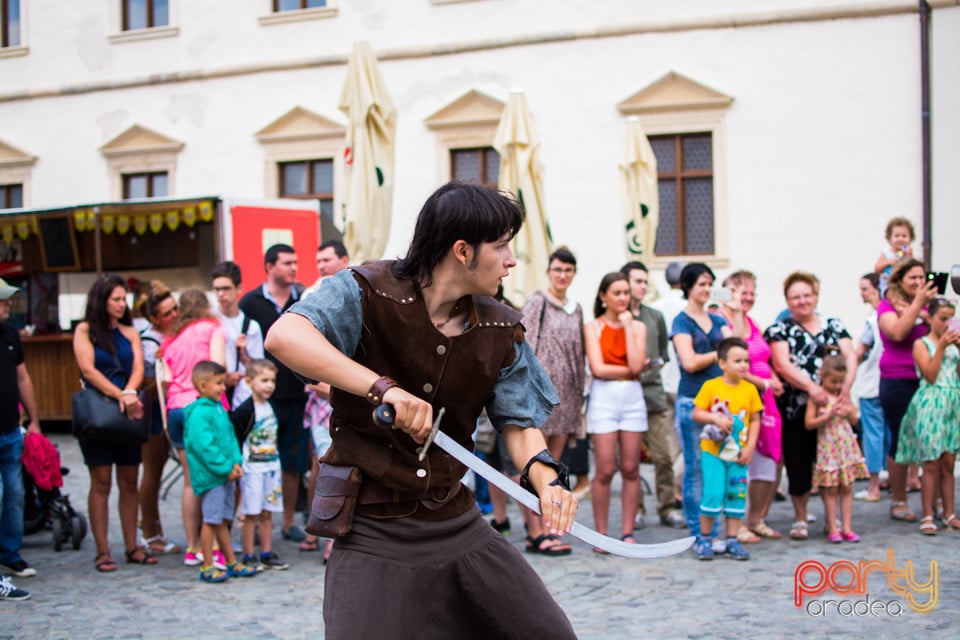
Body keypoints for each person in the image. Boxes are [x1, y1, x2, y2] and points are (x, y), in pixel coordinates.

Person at [264, 181, 577, 639]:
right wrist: (381, 388)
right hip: (373, 529)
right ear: (463, 251)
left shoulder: (498, 325)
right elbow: (284, 337)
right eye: (503, 246)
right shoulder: (365, 290)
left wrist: (546, 479)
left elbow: (519, 423)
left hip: (456, 523)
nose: (512, 260)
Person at [765, 271, 858, 541]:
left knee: (834, 464)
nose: (802, 301)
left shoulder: (834, 325)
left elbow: (850, 356)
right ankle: (801, 516)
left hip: (835, 408)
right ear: (788, 301)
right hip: (797, 406)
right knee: (799, 461)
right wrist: (812, 388)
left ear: (815, 296)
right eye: (796, 297)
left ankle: (835, 520)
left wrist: (845, 390)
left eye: (807, 295)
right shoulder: (780, 329)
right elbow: (782, 364)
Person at [73, 274, 156, 572]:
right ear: (101, 301)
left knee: (129, 480)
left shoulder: (129, 332)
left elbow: (136, 366)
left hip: (127, 412)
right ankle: (102, 549)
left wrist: (131, 392)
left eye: (124, 299)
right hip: (98, 411)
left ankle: (132, 545)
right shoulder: (84, 331)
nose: (122, 305)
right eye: (116, 299)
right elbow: (88, 370)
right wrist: (121, 394)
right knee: (101, 482)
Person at [240, 244, 311, 544]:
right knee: (257, 459)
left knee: (292, 461)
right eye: (286, 263)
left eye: (295, 262)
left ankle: (287, 522)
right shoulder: (251, 302)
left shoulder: (304, 297)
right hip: (262, 397)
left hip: (298, 392)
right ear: (269, 266)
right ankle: (255, 521)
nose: (294, 268)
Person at [517, 247, 583, 554]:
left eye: (568, 270)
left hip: (567, 393)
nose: (562, 275)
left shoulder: (576, 308)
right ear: (549, 271)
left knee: (554, 468)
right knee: (533, 464)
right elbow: (523, 346)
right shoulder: (537, 302)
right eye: (558, 269)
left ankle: (547, 526)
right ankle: (534, 530)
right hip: (540, 394)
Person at [162, 288, 227, 567]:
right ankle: (212, 547)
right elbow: (217, 368)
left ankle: (192, 546)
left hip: (175, 409)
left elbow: (165, 380)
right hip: (201, 409)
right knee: (213, 477)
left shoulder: (171, 339)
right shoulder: (213, 329)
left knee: (190, 481)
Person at [718, 270, 784, 542]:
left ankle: (756, 518)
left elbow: (763, 358)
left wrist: (774, 380)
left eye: (750, 293)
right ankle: (737, 521)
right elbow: (734, 354)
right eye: (740, 292)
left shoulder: (753, 322)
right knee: (738, 461)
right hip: (737, 400)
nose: (746, 298)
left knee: (766, 463)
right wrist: (764, 382)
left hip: (762, 401)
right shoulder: (721, 321)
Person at [585, 272, 647, 548]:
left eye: (626, 292)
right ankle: (601, 533)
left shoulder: (638, 327)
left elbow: (635, 365)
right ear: (603, 297)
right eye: (617, 293)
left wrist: (628, 328)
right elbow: (598, 368)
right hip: (604, 398)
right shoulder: (593, 327)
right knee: (605, 469)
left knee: (631, 468)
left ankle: (627, 532)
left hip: (633, 398)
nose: (623, 298)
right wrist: (632, 370)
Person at [182, 361, 258, 583]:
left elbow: (231, 438)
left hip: (225, 474)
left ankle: (230, 561)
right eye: (218, 383)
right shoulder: (198, 414)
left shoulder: (218, 408)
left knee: (222, 520)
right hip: (213, 477)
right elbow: (204, 447)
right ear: (202, 385)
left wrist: (236, 463)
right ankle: (207, 564)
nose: (223, 387)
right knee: (211, 521)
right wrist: (226, 468)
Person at [621, 261, 684, 529]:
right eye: (638, 281)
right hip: (626, 392)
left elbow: (662, 356)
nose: (643, 286)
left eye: (646, 281)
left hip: (654, 392)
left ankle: (667, 506)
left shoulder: (655, 316)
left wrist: (650, 365)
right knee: (630, 459)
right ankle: (636, 510)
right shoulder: (617, 316)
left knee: (664, 455)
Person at [671, 263, 731, 541]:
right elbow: (690, 361)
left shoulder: (719, 320)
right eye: (701, 285)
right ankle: (699, 532)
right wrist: (720, 353)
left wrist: (736, 313)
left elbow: (737, 350)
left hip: (722, 402)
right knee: (695, 467)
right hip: (693, 401)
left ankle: (716, 528)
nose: (706, 290)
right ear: (688, 287)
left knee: (719, 466)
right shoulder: (681, 321)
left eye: (710, 284)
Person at [877, 258, 936, 523]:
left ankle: (932, 501)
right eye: (912, 278)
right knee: (900, 439)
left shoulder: (928, 307)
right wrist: (916, 308)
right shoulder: (887, 306)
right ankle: (898, 499)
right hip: (898, 379)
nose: (918, 282)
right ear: (900, 280)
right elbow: (898, 332)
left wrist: (926, 312)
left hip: (927, 378)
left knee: (930, 440)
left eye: (922, 277)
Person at [691, 337, 761, 560]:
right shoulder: (711, 386)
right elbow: (697, 412)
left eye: (746, 361)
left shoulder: (750, 390)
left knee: (736, 494)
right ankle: (704, 538)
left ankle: (732, 539)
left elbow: (756, 419)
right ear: (722, 363)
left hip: (738, 455)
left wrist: (750, 447)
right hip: (714, 451)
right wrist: (715, 418)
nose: (743, 365)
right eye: (737, 360)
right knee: (712, 492)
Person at [895, 298, 960, 534]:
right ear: (930, 318)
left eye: (950, 319)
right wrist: (942, 347)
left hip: (952, 403)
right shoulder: (922, 344)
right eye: (942, 318)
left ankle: (949, 513)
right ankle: (928, 514)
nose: (946, 324)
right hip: (931, 403)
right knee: (931, 462)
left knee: (949, 461)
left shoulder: (954, 345)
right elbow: (930, 375)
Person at [301, 244, 349, 556]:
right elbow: (302, 353)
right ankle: (320, 528)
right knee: (325, 467)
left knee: (345, 469)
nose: (320, 265)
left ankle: (337, 534)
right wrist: (320, 385)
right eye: (316, 260)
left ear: (343, 261)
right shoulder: (310, 296)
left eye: (326, 259)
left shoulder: (359, 291)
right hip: (323, 404)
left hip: (353, 396)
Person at [0, 278, 40, 597]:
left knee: (14, 494)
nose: (8, 304)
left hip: (11, 430)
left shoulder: (11, 335)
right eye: (3, 300)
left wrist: (35, 420)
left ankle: (9, 556)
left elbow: (23, 378)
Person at [135, 280, 181, 556]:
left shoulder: (174, 334)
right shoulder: (148, 341)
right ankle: (150, 533)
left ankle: (151, 527)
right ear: (153, 318)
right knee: (153, 471)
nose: (174, 315)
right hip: (153, 413)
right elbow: (146, 387)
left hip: (171, 409)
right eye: (167, 313)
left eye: (174, 308)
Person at [229, 358, 289, 570]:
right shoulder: (245, 410)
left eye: (272, 381)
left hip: (271, 469)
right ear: (249, 381)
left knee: (267, 512)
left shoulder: (271, 407)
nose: (269, 385)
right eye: (264, 380)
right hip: (252, 469)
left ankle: (266, 551)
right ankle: (248, 553)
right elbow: (235, 438)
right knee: (250, 513)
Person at [804, 349, 869, 543]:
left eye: (841, 381)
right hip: (828, 447)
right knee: (831, 488)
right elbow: (809, 423)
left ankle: (847, 527)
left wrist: (847, 412)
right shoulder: (818, 397)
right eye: (833, 382)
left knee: (847, 487)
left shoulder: (843, 395)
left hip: (845, 446)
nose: (837, 386)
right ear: (823, 377)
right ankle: (833, 526)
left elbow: (856, 419)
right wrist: (828, 416)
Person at [851, 273, 889, 502]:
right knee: (887, 433)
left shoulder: (874, 319)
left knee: (873, 434)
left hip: (872, 383)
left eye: (864, 288)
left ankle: (874, 484)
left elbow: (859, 352)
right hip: (887, 382)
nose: (861, 293)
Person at [212, 261, 264, 409]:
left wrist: (244, 357)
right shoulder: (209, 322)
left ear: (239, 288)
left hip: (243, 399)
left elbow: (259, 369)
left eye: (226, 288)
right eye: (217, 289)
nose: (221, 294)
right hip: (215, 398)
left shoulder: (251, 327)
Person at [873, 216, 916, 296]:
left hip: (903, 285)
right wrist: (888, 262)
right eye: (897, 236)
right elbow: (877, 269)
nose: (900, 239)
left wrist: (909, 256)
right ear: (889, 238)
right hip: (888, 285)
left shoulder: (908, 253)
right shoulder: (887, 253)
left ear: (910, 238)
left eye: (904, 236)